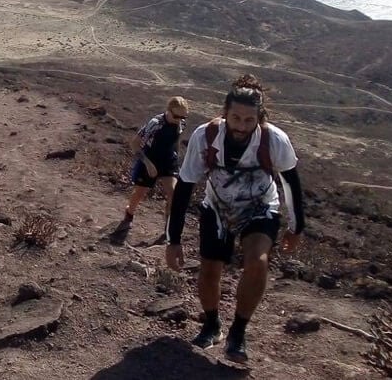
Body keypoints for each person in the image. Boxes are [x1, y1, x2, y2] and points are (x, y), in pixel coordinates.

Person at [165, 75, 305, 364]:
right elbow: (185, 187)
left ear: (260, 118)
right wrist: (173, 240)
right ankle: (212, 323)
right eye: (235, 118)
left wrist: (296, 227)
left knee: (258, 262)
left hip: (260, 207)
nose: (241, 126)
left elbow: (290, 182)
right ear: (225, 113)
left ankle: (238, 332)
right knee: (209, 269)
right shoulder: (205, 137)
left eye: (248, 120)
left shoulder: (275, 140)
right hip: (217, 207)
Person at [115, 96, 189, 243]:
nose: (179, 119)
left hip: (168, 161)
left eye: (183, 116)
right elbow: (135, 143)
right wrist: (147, 163)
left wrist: (177, 158)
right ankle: (129, 213)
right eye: (176, 116)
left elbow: (176, 142)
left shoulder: (181, 124)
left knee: (174, 193)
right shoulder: (156, 124)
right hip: (150, 159)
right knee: (140, 193)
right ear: (168, 111)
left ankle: (168, 227)